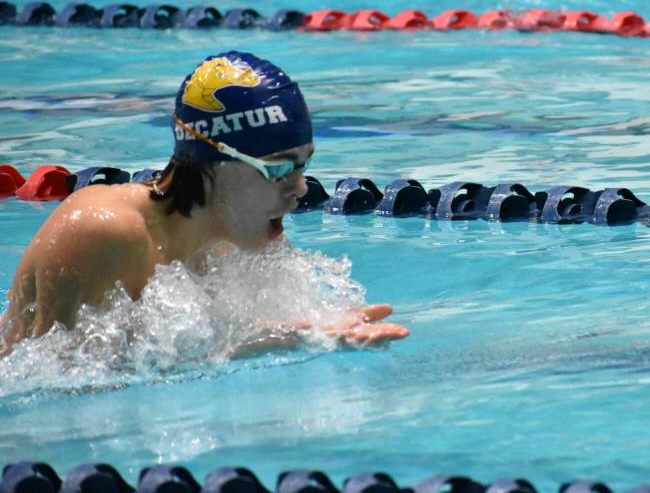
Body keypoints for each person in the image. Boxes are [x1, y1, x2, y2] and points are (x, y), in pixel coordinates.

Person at [0, 51, 408, 357]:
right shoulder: (101, 231)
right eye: (278, 169)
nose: (300, 188)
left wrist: (301, 333)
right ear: (214, 162)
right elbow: (59, 382)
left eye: (302, 166)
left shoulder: (238, 240)